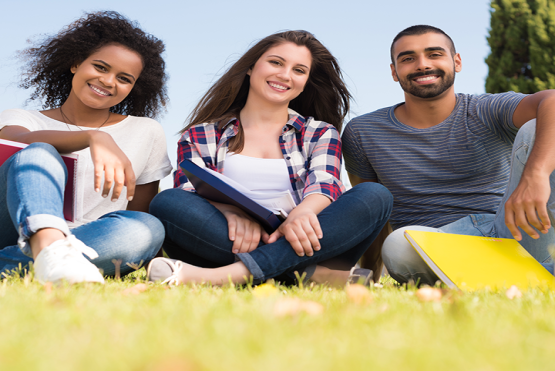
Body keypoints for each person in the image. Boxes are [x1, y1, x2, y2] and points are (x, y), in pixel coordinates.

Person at [147, 30, 393, 286]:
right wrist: (229, 211)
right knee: (168, 201)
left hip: (308, 240)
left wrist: (302, 213)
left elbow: (326, 183)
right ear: (251, 68)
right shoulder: (200, 135)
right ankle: (311, 275)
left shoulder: (320, 132)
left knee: (375, 195)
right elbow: (188, 189)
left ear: (306, 81)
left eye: (299, 70)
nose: (285, 75)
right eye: (276, 62)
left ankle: (224, 277)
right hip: (227, 237)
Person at [342, 24, 555, 286]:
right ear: (394, 72)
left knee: (540, 128)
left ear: (456, 62)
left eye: (434, 54)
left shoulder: (485, 110)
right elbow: (374, 212)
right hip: (434, 243)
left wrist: (536, 174)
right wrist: (371, 276)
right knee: (397, 244)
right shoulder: (362, 132)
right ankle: (531, 276)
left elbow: (552, 100)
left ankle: (513, 275)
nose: (422, 65)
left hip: (511, 232)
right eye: (408, 58)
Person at [0, 11, 173, 284]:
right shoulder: (22, 118)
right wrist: (94, 137)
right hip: (14, 228)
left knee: (147, 228)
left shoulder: (146, 132)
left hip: (95, 239)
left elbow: (138, 212)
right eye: (101, 67)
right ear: (76, 64)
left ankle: (49, 260)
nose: (107, 81)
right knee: (38, 152)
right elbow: (16, 141)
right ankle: (49, 248)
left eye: (124, 78)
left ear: (134, 88)